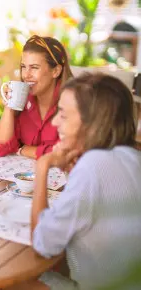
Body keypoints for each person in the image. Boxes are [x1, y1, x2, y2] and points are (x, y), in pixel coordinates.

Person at [28, 73, 141, 290]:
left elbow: (42, 244)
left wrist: (42, 167)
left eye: (63, 114)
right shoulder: (133, 157)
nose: (54, 122)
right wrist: (73, 172)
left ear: (91, 123)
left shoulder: (92, 166)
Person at [0, 35, 73, 159]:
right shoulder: (25, 100)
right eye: (24, 67)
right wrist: (10, 106)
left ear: (56, 71)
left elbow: (69, 152)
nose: (26, 75)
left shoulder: (74, 102)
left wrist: (26, 150)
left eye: (34, 68)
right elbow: (2, 148)